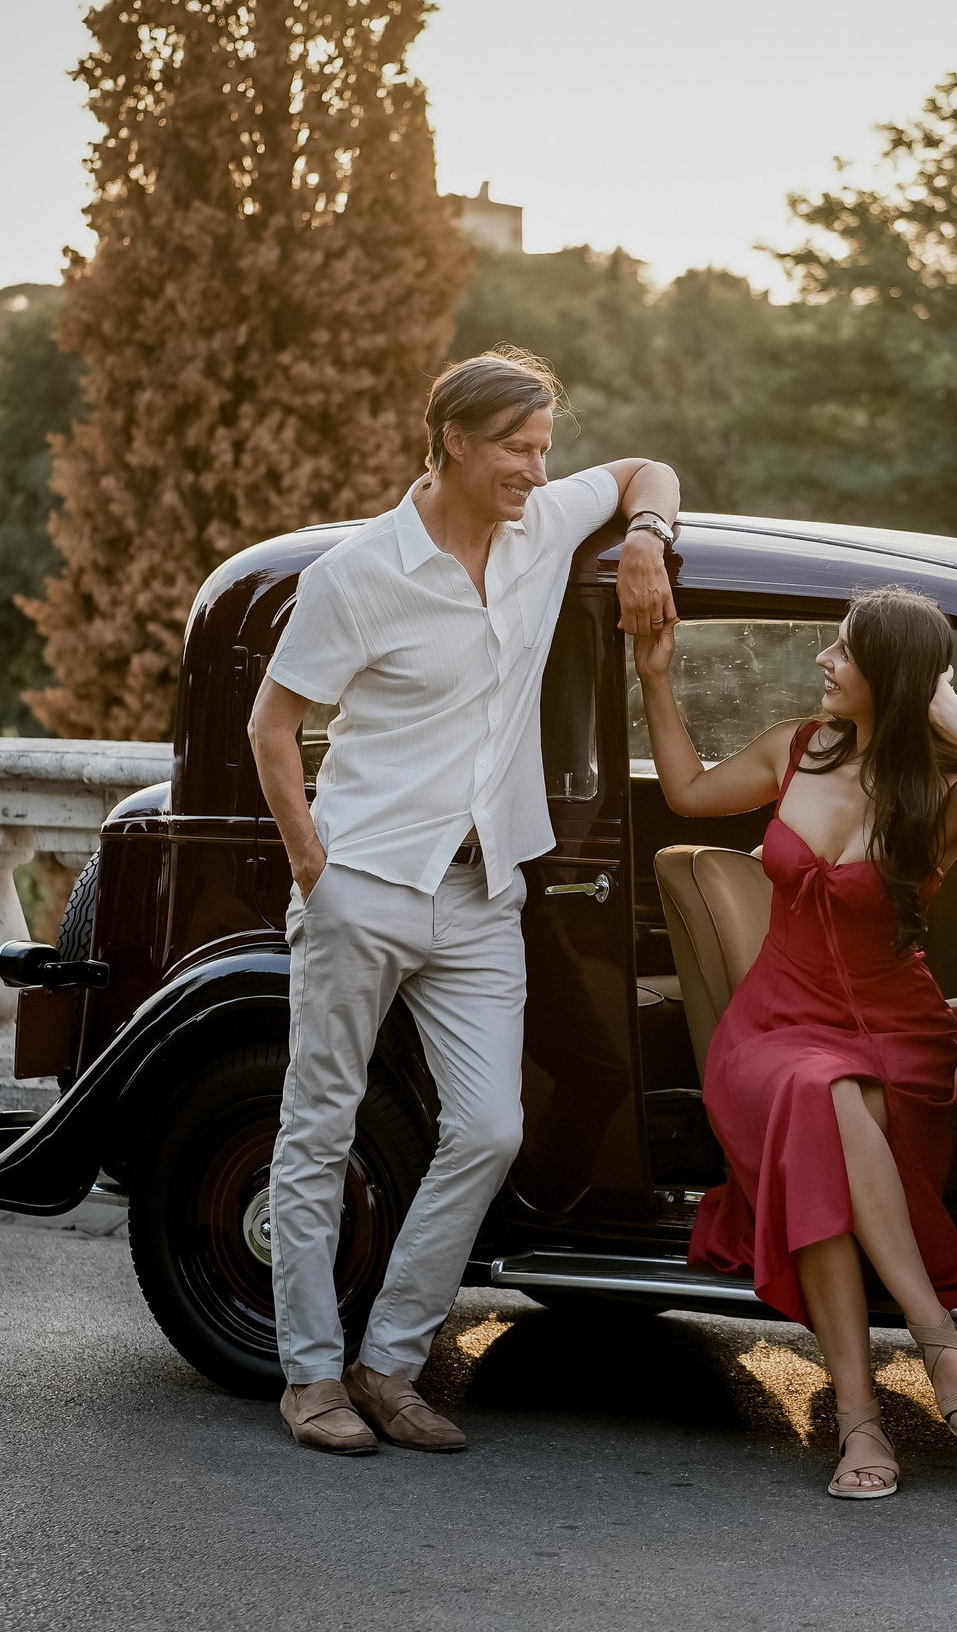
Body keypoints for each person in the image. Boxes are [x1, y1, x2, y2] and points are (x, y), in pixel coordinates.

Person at [248, 348, 680, 1456]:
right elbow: (272, 725)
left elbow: (644, 469)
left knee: (488, 1126)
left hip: (484, 892)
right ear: (452, 441)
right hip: (366, 886)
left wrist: (643, 540)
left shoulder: (539, 527)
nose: (538, 470)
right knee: (318, 1130)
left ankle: (389, 1362)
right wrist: (316, 871)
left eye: (545, 448)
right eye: (517, 449)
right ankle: (309, 1379)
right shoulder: (360, 573)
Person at [634, 585, 957, 1499]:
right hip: (772, 1026)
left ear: (889, 674)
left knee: (826, 1105)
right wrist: (656, 677)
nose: (824, 663)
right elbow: (687, 793)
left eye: (843, 651)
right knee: (818, 1090)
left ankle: (861, 1424)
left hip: (899, 1033)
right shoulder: (795, 747)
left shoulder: (950, 795)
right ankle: (940, 1347)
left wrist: (954, 706)